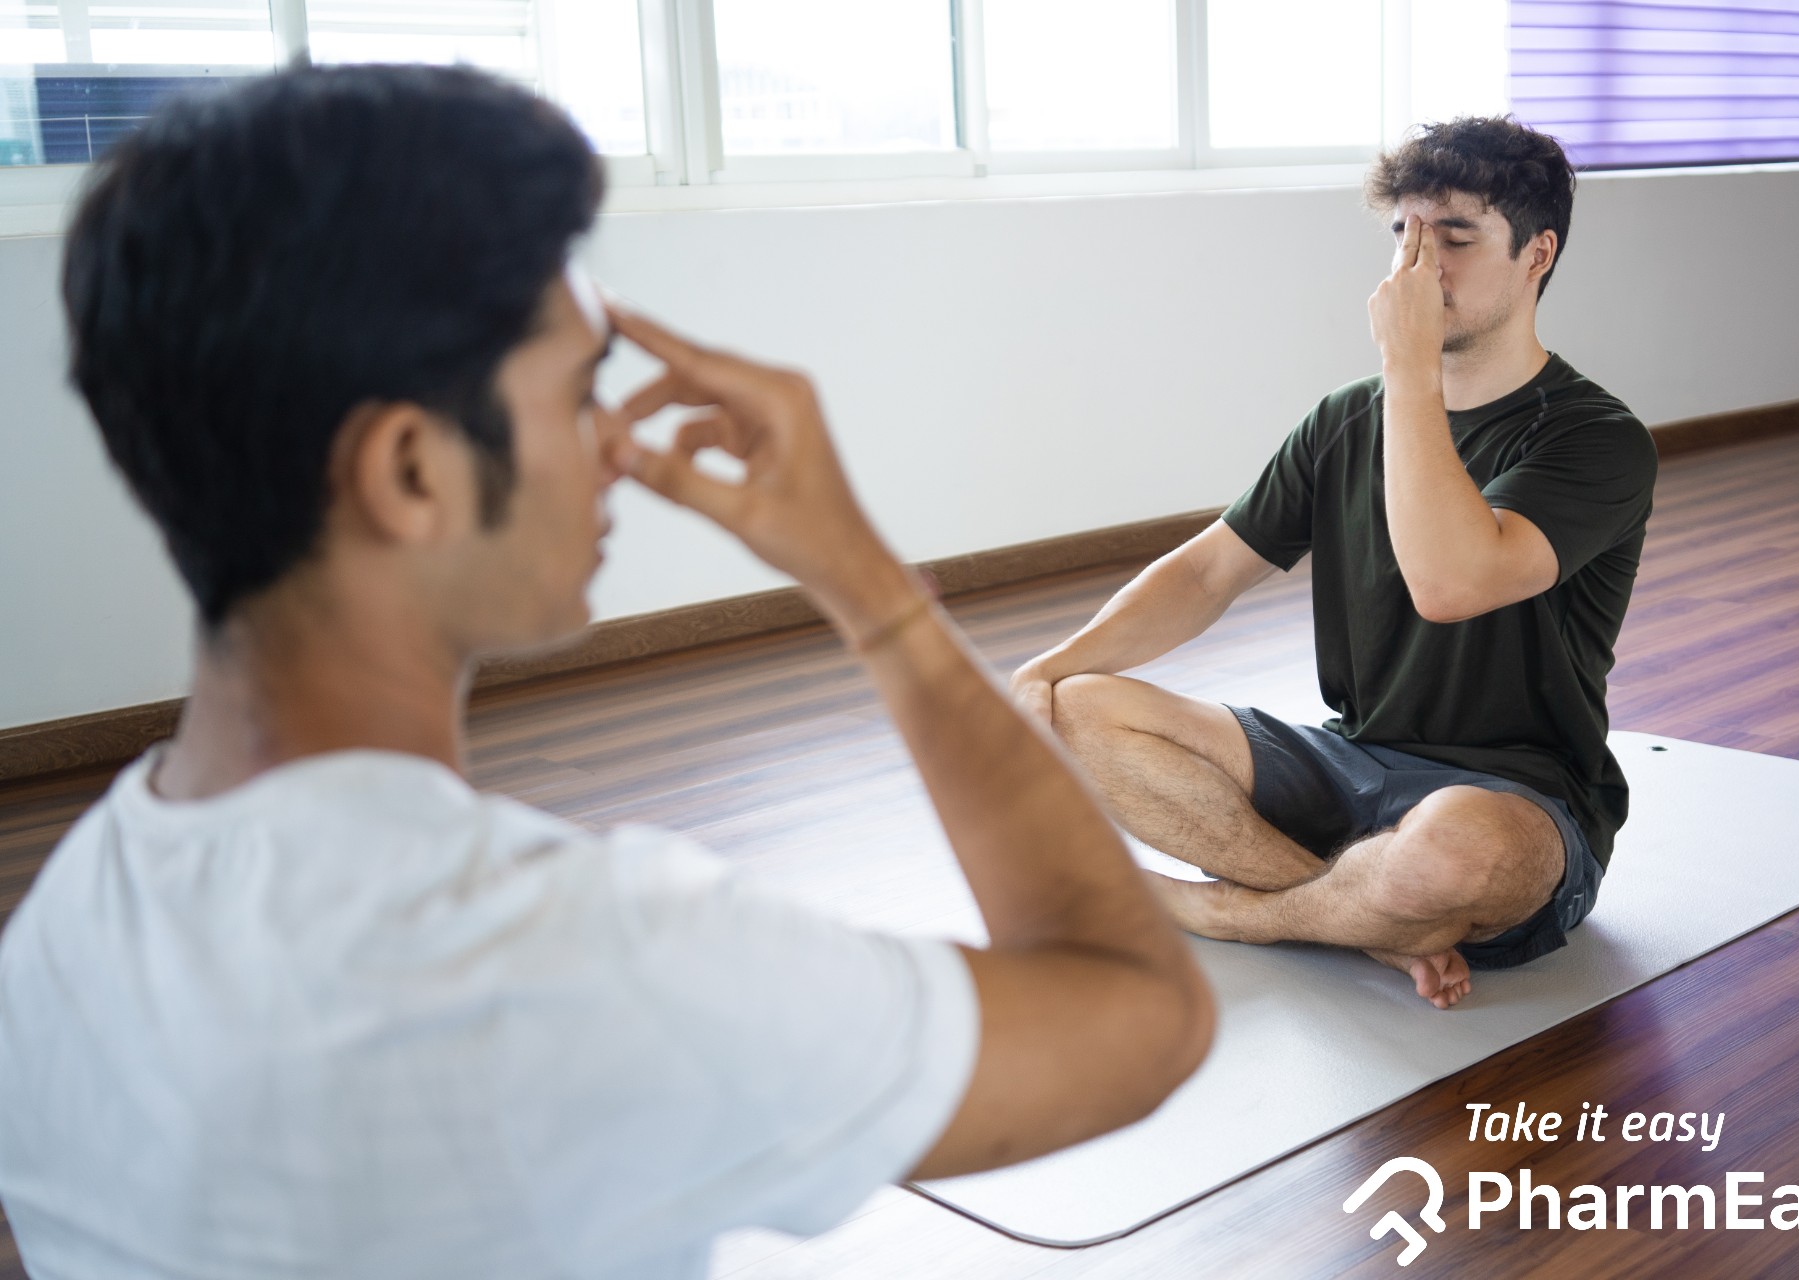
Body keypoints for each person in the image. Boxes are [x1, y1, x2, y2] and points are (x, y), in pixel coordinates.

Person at [0, 65, 1213, 1277]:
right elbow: (1145, 1013)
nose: (619, 448)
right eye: (583, 393)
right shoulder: (581, 960)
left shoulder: (61, 931)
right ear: (411, 470)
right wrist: (874, 590)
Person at [1013, 117, 1659, 1011]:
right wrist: (1044, 673)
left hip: (1515, 799)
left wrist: (1409, 366)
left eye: (1456, 239)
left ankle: (1233, 912)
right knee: (1081, 706)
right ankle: (1366, 920)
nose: (1416, 268)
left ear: (1537, 252)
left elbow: (1451, 583)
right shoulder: (1346, 417)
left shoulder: (1597, 438)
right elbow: (1206, 574)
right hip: (1348, 762)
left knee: (1450, 852)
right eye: (1405, 235)